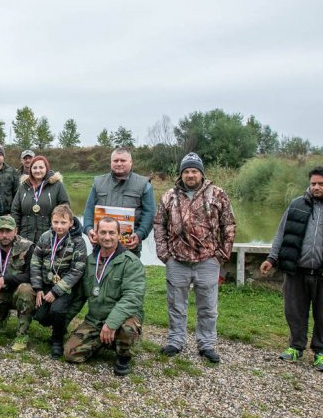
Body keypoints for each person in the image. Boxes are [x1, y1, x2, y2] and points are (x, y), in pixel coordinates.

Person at [260, 166, 323, 372]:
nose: (316, 187)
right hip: (297, 271)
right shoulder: (297, 205)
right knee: (294, 311)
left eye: (321, 184)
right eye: (313, 183)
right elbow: (281, 234)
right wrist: (272, 258)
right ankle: (295, 347)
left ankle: (321, 352)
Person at [153, 153, 236, 363]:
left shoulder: (217, 194)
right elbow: (159, 225)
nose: (190, 175)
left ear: (201, 173)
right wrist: (164, 254)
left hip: (208, 260)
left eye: (194, 171)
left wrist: (222, 254)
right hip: (177, 260)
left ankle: (206, 344)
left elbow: (229, 225)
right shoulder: (169, 196)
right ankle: (176, 341)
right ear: (181, 174)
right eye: (187, 171)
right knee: (175, 305)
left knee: (208, 306)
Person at [64, 217, 145, 376]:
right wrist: (62, 324)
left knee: (127, 329)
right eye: (103, 232)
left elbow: (132, 298)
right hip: (95, 320)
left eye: (111, 233)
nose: (107, 237)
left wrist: (111, 323)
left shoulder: (131, 262)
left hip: (124, 318)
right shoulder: (89, 261)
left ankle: (123, 355)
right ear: (96, 234)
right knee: (70, 353)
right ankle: (104, 341)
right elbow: (79, 297)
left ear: (119, 234)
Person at [30, 204, 87, 356]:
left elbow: (77, 270)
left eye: (63, 223)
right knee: (41, 317)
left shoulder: (78, 242)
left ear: (71, 223)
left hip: (65, 288)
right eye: (56, 222)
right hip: (46, 284)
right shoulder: (45, 237)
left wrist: (56, 291)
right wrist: (38, 288)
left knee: (57, 310)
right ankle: (57, 325)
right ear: (51, 221)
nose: (59, 226)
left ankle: (57, 340)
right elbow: (35, 261)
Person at [83, 147, 156, 256]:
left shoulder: (144, 184)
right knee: (99, 272)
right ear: (111, 163)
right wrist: (88, 229)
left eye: (123, 160)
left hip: (129, 246)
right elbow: (89, 210)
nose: (119, 163)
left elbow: (149, 214)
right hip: (102, 244)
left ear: (131, 163)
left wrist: (140, 234)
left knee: (128, 273)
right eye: (115, 160)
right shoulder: (98, 182)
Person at [11, 155, 70, 244]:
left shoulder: (57, 185)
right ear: (30, 170)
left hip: (49, 236)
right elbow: (15, 210)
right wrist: (15, 231)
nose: (38, 170)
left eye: (41, 167)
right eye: (34, 168)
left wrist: (58, 228)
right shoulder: (23, 186)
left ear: (47, 168)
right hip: (24, 237)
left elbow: (65, 208)